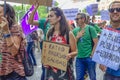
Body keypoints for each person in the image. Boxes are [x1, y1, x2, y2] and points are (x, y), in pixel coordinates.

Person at [28, 2, 77, 80]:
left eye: (51, 16)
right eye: (48, 16)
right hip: (50, 71)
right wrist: (45, 61)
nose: (49, 18)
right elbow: (47, 51)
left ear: (59, 18)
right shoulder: (49, 33)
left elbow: (75, 51)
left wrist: (69, 55)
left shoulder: (68, 34)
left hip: (64, 71)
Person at [0, 3, 27, 80]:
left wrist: (6, 31)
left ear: (7, 15)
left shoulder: (15, 28)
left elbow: (14, 51)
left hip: (13, 73)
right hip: (3, 71)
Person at [72, 13, 98, 80]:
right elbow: (72, 45)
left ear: (83, 19)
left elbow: (96, 43)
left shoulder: (90, 28)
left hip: (89, 58)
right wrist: (77, 37)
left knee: (92, 77)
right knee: (79, 78)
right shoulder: (75, 31)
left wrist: (92, 53)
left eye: (78, 19)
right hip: (79, 58)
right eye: (76, 19)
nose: (76, 21)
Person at [99, 1, 120, 80]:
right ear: (109, 13)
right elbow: (104, 49)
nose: (115, 12)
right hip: (108, 74)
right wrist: (101, 61)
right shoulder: (106, 30)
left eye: (118, 9)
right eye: (112, 10)